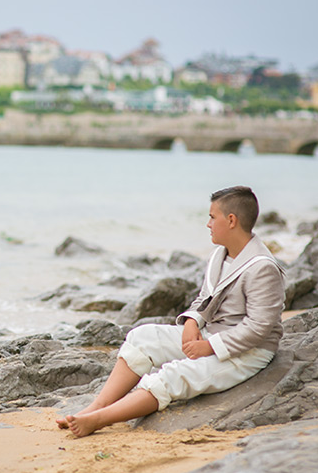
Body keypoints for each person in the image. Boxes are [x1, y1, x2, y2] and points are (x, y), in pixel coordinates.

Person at [56, 186, 285, 438]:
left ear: (231, 220)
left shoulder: (263, 267)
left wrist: (209, 347)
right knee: (141, 338)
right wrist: (192, 322)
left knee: (174, 375)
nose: (207, 224)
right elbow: (204, 298)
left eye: (212, 217)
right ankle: (96, 406)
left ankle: (99, 420)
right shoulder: (219, 255)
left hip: (247, 352)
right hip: (210, 335)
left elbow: (259, 326)